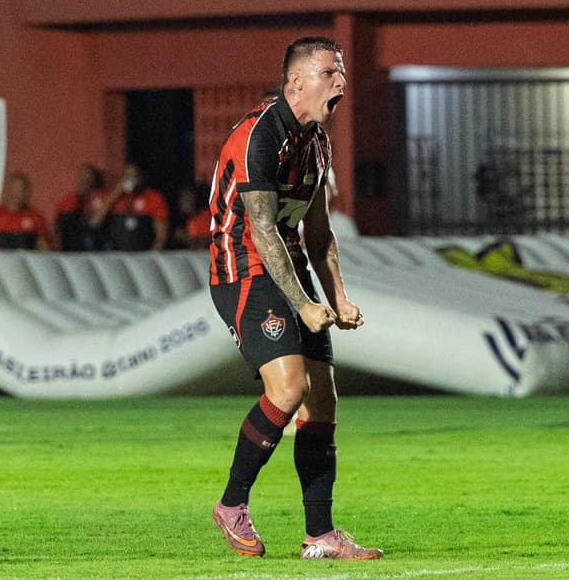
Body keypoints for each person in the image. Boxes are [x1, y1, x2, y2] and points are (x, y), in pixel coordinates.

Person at [208, 36, 381, 560]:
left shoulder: (318, 143)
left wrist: (338, 298)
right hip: (243, 267)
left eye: (343, 73)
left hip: (287, 265)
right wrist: (305, 304)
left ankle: (320, 535)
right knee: (289, 387)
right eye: (332, 72)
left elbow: (320, 232)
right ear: (296, 82)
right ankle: (231, 504)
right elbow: (261, 230)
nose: (342, 83)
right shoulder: (261, 135)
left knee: (322, 398)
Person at [89, 163, 169, 252]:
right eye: (126, 176)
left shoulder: (153, 198)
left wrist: (151, 256)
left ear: (141, 178)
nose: (130, 180)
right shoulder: (110, 197)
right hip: (113, 253)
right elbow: (94, 222)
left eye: (134, 176)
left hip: (142, 253)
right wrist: (116, 194)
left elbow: (161, 236)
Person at [0, 171, 49, 250]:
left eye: (21, 189)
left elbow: (43, 248)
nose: (18, 194)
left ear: (27, 193)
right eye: (15, 189)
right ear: (8, 190)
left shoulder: (36, 218)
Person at [171, 181, 211, 250]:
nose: (185, 202)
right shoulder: (183, 220)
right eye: (183, 199)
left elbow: (205, 243)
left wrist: (184, 238)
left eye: (188, 198)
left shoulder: (206, 216)